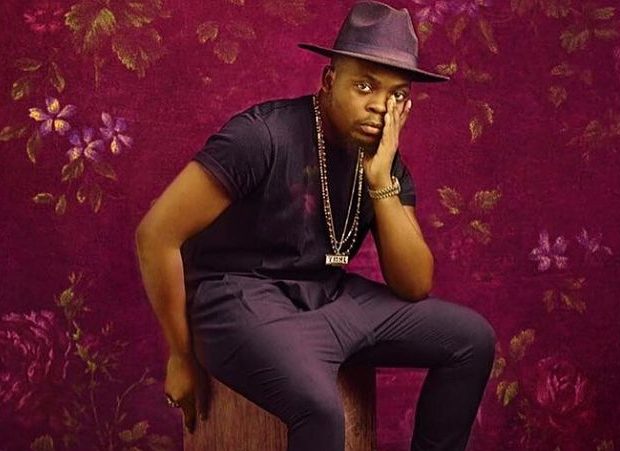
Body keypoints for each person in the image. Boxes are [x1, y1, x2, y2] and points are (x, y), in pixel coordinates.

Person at [134, 1, 496, 450]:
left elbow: (414, 283)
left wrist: (381, 181)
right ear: (328, 81)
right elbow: (156, 235)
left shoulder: (385, 162)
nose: (380, 107)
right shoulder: (261, 136)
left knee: (471, 340)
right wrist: (180, 356)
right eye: (364, 86)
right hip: (239, 296)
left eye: (397, 95)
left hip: (327, 294)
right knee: (320, 408)